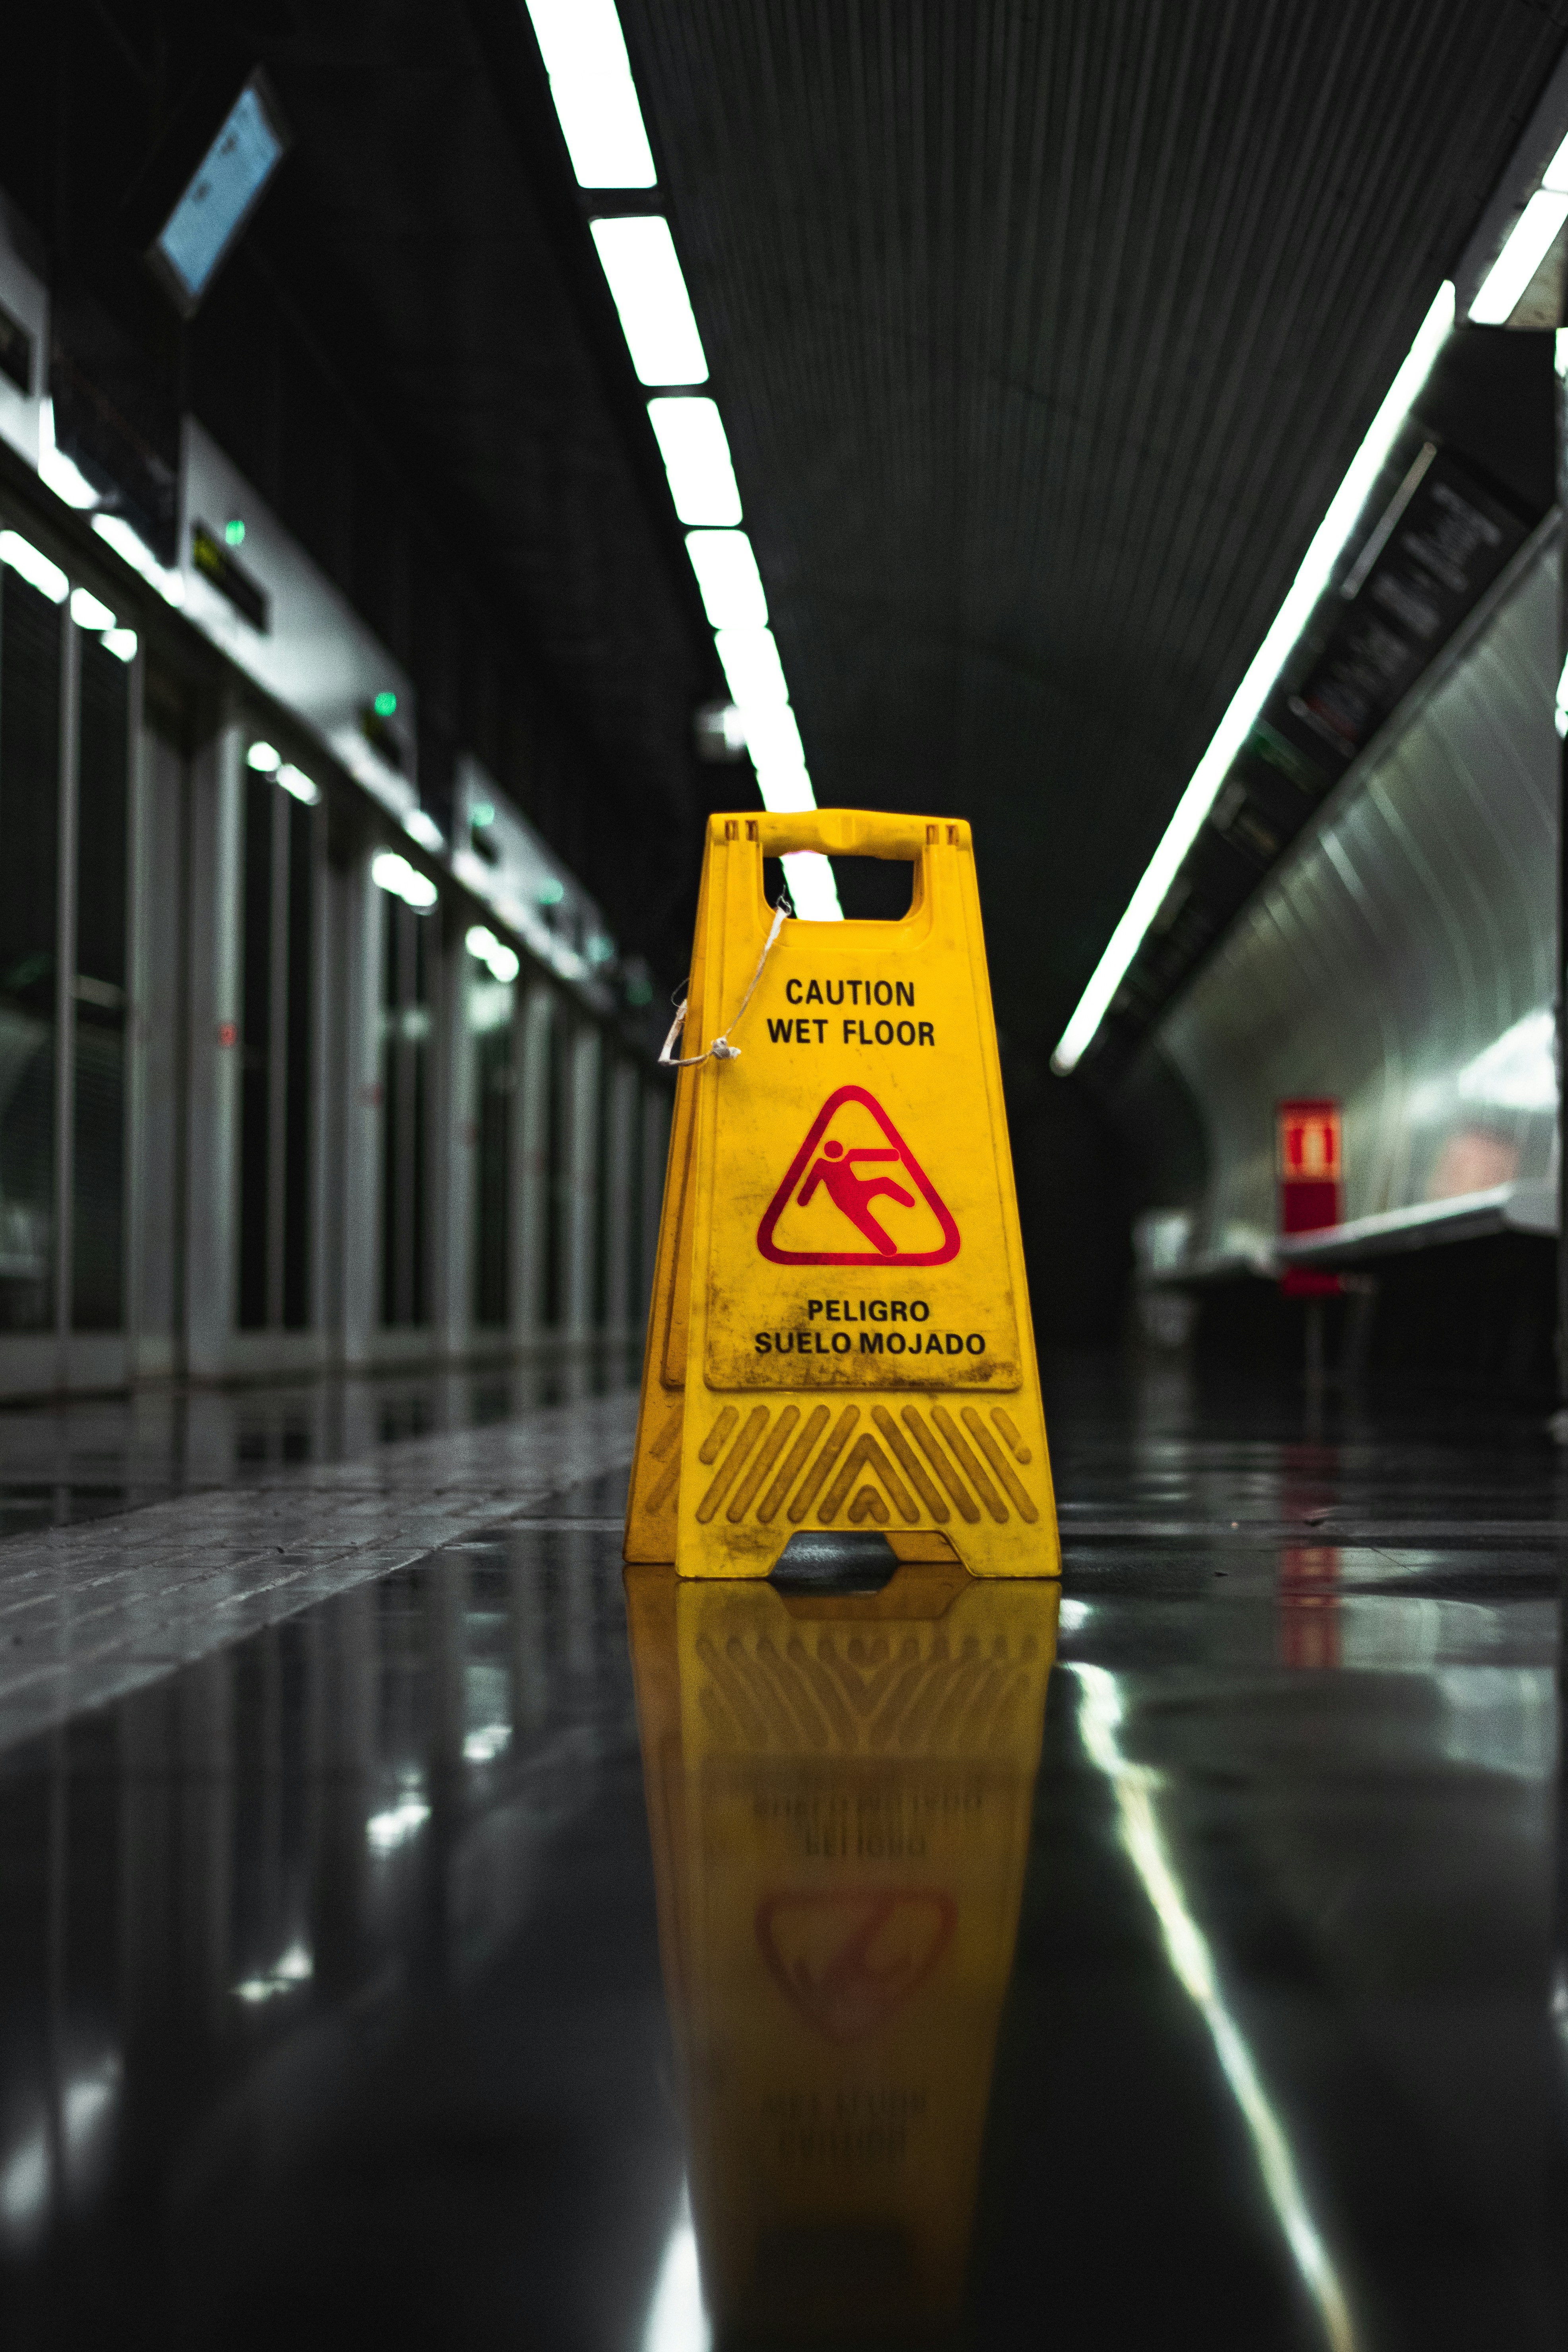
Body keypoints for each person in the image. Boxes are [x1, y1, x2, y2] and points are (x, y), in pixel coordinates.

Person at [797, 1139, 913, 1254]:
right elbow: (809, 1186)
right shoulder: (821, 1165)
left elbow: (868, 1155)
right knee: (865, 1221)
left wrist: (893, 1155)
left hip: (858, 1190)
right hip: (846, 1201)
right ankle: (888, 1248)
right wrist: (803, 1200)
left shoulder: (846, 1157)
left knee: (884, 1183)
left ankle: (910, 1203)